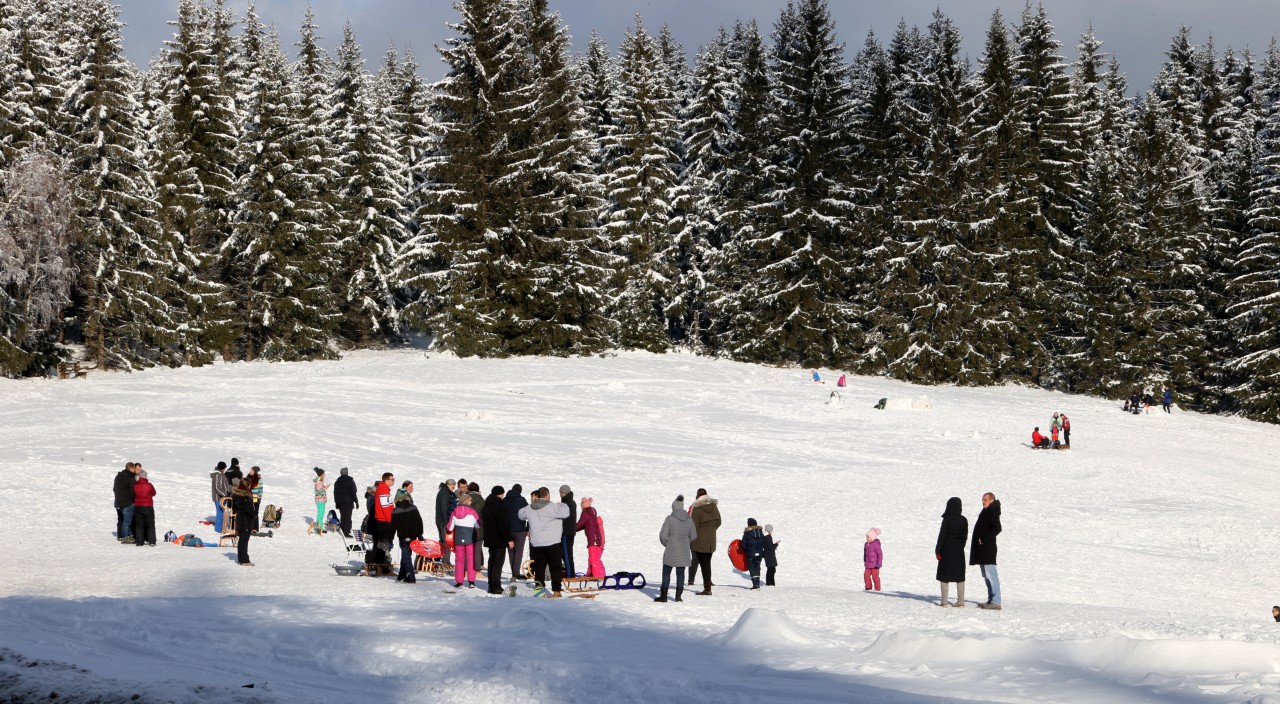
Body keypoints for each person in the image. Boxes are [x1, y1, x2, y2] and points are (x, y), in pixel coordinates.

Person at [519, 487, 570, 597]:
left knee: (539, 569)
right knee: (555, 568)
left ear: (537, 496)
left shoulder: (530, 507)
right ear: (548, 495)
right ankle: (556, 591)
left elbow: (520, 514)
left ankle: (539, 592)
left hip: (536, 543)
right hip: (553, 543)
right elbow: (566, 513)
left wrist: (531, 504)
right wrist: (562, 504)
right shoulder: (553, 506)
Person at [657, 495, 697, 602]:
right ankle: (678, 596)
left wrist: (668, 544)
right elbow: (694, 536)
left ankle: (664, 596)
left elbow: (662, 536)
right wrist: (685, 543)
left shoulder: (670, 519)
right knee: (681, 573)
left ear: (673, 508)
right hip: (683, 551)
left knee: (666, 572)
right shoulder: (689, 519)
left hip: (671, 549)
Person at [970, 492, 1003, 610]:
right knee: (986, 576)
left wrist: (983, 539)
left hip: (988, 550)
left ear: (991, 500)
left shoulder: (992, 511)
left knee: (991, 575)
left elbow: (997, 528)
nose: (983, 501)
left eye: (985, 499)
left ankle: (996, 601)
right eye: (982, 500)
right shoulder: (987, 510)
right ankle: (991, 600)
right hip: (983, 549)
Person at [936, 497, 968, 607]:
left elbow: (942, 536)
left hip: (946, 550)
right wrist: (960, 547)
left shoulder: (947, 519)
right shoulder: (964, 520)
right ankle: (961, 601)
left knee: (944, 575)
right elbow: (965, 537)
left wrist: (938, 550)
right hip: (959, 551)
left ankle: (944, 602)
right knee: (960, 576)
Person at [687, 488, 720, 595]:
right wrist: (711, 530)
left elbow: (693, 527)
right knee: (707, 563)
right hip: (711, 541)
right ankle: (708, 584)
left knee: (704, 565)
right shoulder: (714, 507)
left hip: (700, 542)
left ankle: (707, 589)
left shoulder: (697, 509)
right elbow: (719, 521)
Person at [482, 486, 514, 594]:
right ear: (499, 494)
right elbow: (503, 525)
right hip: (499, 539)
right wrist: (509, 539)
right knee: (498, 564)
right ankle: (496, 586)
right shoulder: (500, 506)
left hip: (490, 539)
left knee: (491, 562)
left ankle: (491, 586)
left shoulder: (486, 506)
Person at [447, 493, 482, 588]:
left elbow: (449, 528)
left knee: (459, 560)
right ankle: (471, 581)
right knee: (470, 559)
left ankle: (459, 581)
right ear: (466, 501)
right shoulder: (472, 512)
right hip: (470, 538)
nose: (471, 502)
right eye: (470, 500)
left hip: (458, 539)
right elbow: (478, 525)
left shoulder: (454, 511)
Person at [390, 489, 424, 584]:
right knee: (406, 555)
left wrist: (390, 538)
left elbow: (392, 527)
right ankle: (401, 575)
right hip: (413, 536)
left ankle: (410, 577)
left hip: (403, 537)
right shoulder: (413, 508)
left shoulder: (396, 511)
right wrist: (420, 534)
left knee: (406, 556)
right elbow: (419, 522)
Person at [575, 496, 605, 578]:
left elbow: (579, 525)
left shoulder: (586, 513)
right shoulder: (592, 513)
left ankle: (597, 577)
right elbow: (583, 525)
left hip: (593, 541)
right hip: (597, 540)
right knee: (595, 559)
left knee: (593, 560)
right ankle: (597, 575)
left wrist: (570, 529)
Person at [504, 483, 529, 583]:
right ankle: (516, 573)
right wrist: (527, 528)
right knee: (518, 552)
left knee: (511, 552)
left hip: (508, 530)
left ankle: (513, 572)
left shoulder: (505, 499)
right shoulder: (522, 500)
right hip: (519, 530)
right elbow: (529, 513)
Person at [230, 476, 255, 566]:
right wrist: (253, 513)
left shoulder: (236, 494)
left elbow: (234, 508)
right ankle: (244, 560)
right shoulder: (246, 495)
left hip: (240, 519)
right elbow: (248, 508)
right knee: (244, 541)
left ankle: (241, 559)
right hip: (246, 521)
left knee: (242, 541)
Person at [113, 462, 138, 543]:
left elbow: (114, 489)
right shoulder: (131, 477)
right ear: (131, 468)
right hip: (128, 502)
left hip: (119, 501)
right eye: (134, 468)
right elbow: (132, 490)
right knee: (127, 521)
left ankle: (127, 535)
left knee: (123, 520)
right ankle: (126, 537)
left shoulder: (118, 476)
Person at [435, 479, 457, 566]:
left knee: (444, 540)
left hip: (441, 520)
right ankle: (445, 561)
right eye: (453, 486)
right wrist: (447, 523)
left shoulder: (444, 492)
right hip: (443, 521)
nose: (454, 488)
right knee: (446, 541)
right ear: (449, 485)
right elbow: (444, 509)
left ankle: (444, 559)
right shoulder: (445, 493)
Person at [132, 468, 157, 546]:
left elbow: (133, 494)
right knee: (150, 524)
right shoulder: (149, 485)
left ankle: (139, 542)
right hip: (148, 506)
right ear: (145, 476)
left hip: (137, 506)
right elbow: (154, 493)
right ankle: (152, 541)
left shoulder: (135, 485)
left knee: (139, 524)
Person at [740, 518, 766, 590]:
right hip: (760, 554)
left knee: (752, 568)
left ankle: (755, 585)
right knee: (757, 568)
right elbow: (764, 542)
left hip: (751, 554)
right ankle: (757, 583)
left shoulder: (747, 533)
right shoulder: (761, 532)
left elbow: (743, 545)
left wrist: (744, 549)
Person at [374, 472, 396, 553]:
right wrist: (391, 520)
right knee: (384, 544)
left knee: (384, 543)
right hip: (384, 520)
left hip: (384, 519)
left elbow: (390, 505)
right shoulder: (383, 488)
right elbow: (385, 508)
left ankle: (382, 561)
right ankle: (382, 562)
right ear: (386, 480)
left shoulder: (385, 488)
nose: (393, 481)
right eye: (392, 479)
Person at [333, 467, 357, 537]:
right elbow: (354, 491)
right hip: (349, 502)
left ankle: (343, 530)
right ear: (347, 473)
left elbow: (335, 493)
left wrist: (337, 503)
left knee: (343, 516)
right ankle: (346, 532)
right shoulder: (350, 481)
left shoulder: (337, 482)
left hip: (341, 503)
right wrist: (356, 501)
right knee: (348, 517)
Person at [560, 485, 577, 577]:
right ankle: (569, 572)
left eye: (560, 492)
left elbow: (564, 518)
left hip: (566, 531)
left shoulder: (566, 503)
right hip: (570, 531)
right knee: (566, 553)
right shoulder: (572, 502)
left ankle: (570, 574)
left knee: (567, 554)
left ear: (563, 492)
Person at [467, 482, 486, 570]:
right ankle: (477, 568)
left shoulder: (465, 499)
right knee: (477, 549)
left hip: (466, 527)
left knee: (467, 549)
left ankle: (467, 568)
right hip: (479, 527)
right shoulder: (481, 500)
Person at [210, 461, 230, 533]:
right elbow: (218, 488)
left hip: (221, 497)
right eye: (224, 468)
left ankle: (220, 527)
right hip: (218, 497)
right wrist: (225, 494)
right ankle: (218, 529)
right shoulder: (218, 475)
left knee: (221, 512)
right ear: (222, 468)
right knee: (220, 513)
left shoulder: (220, 474)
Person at [246, 466, 263, 532]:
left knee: (255, 513)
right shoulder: (247, 478)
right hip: (248, 498)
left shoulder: (259, 479)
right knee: (248, 513)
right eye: (250, 470)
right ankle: (248, 526)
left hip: (256, 498)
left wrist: (259, 497)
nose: (250, 471)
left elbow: (260, 489)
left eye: (252, 470)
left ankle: (255, 528)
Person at [313, 467, 329, 534]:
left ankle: (320, 528)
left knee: (321, 514)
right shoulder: (319, 482)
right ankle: (319, 529)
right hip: (320, 500)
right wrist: (325, 488)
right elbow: (320, 491)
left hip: (321, 500)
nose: (324, 475)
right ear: (321, 475)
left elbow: (320, 490)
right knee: (320, 515)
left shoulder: (319, 481)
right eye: (324, 474)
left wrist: (325, 487)